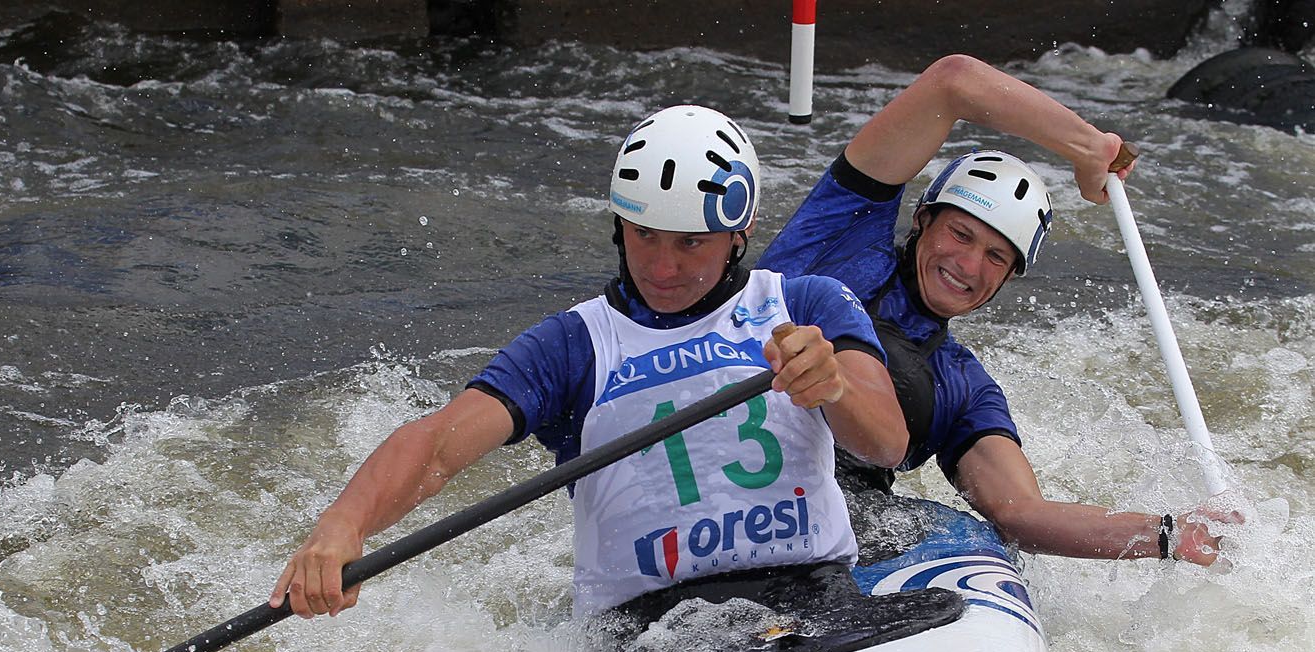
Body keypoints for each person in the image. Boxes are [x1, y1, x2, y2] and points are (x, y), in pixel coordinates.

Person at [271, 104, 909, 619]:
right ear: (618, 227)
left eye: (691, 243)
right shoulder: (573, 345)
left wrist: (835, 389)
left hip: (814, 591)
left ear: (737, 236)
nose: (663, 266)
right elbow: (437, 444)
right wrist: (342, 525)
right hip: (647, 629)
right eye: (644, 237)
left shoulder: (805, 302)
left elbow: (887, 444)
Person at [758, 54, 1242, 565]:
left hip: (837, 523)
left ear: (1010, 275)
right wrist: (1086, 147)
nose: (967, 264)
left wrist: (1167, 535)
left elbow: (1019, 511)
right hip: (719, 471)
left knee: (967, 537)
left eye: (995, 256)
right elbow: (954, 83)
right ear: (922, 220)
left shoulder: (962, 383)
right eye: (960, 234)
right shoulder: (842, 240)